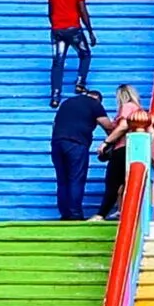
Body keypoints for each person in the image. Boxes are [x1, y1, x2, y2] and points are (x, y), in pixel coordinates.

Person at [49, 83, 100, 222]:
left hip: (57, 143)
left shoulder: (67, 103)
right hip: (76, 144)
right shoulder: (94, 103)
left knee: (62, 180)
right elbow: (106, 124)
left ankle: (65, 213)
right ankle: (75, 214)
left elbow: (55, 123)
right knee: (76, 178)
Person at [47, 0, 95, 104]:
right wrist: (90, 31)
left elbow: (50, 11)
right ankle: (80, 84)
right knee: (85, 54)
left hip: (57, 30)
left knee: (58, 62)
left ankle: (55, 96)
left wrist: (55, 25)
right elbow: (82, 11)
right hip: (73, 29)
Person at [97, 82, 144, 218]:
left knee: (112, 182)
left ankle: (101, 214)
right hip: (132, 148)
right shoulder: (138, 109)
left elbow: (123, 126)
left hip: (122, 148)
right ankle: (122, 210)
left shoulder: (127, 106)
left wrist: (106, 142)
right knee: (124, 182)